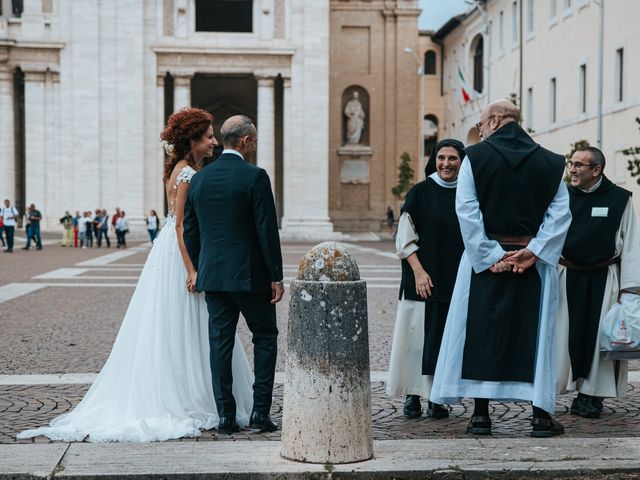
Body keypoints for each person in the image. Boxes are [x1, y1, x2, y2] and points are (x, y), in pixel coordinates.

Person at [17, 107, 254, 443]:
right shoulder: (188, 176)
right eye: (209, 137)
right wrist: (192, 268)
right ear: (192, 141)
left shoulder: (178, 171)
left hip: (165, 256)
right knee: (193, 324)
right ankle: (194, 394)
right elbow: (184, 226)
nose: (214, 142)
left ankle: (184, 387)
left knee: (172, 324)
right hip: (180, 256)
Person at [429, 100, 572, 438]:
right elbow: (560, 212)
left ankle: (480, 415)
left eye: (481, 126)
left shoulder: (474, 159)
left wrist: (489, 255)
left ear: (494, 120)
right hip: (532, 264)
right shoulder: (550, 162)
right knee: (536, 335)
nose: (481, 132)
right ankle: (539, 417)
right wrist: (534, 251)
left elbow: (466, 210)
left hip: (485, 262)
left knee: (481, 331)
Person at [184, 114, 284, 434]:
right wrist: (276, 275)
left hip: (214, 277)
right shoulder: (255, 177)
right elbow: (267, 230)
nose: (254, 146)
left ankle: (226, 416)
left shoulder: (198, 179)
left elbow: (190, 231)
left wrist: (200, 267)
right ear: (245, 141)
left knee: (220, 345)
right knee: (265, 338)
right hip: (251, 276)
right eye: (253, 141)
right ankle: (259, 413)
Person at [555, 146, 640, 418]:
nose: (573, 169)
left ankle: (591, 395)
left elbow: (631, 246)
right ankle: (566, 388)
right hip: (568, 276)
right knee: (566, 336)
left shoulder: (619, 199)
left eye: (580, 165)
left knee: (598, 339)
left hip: (605, 280)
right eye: (572, 164)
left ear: (597, 170)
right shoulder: (561, 197)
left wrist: (630, 291)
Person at [386, 139, 465, 419]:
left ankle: (436, 397)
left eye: (453, 159)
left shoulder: (468, 195)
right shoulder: (420, 192)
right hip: (421, 279)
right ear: (434, 160)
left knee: (442, 341)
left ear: (461, 161)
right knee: (415, 339)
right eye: (441, 158)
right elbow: (405, 240)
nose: (446, 164)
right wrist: (419, 273)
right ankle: (412, 394)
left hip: (452, 280)